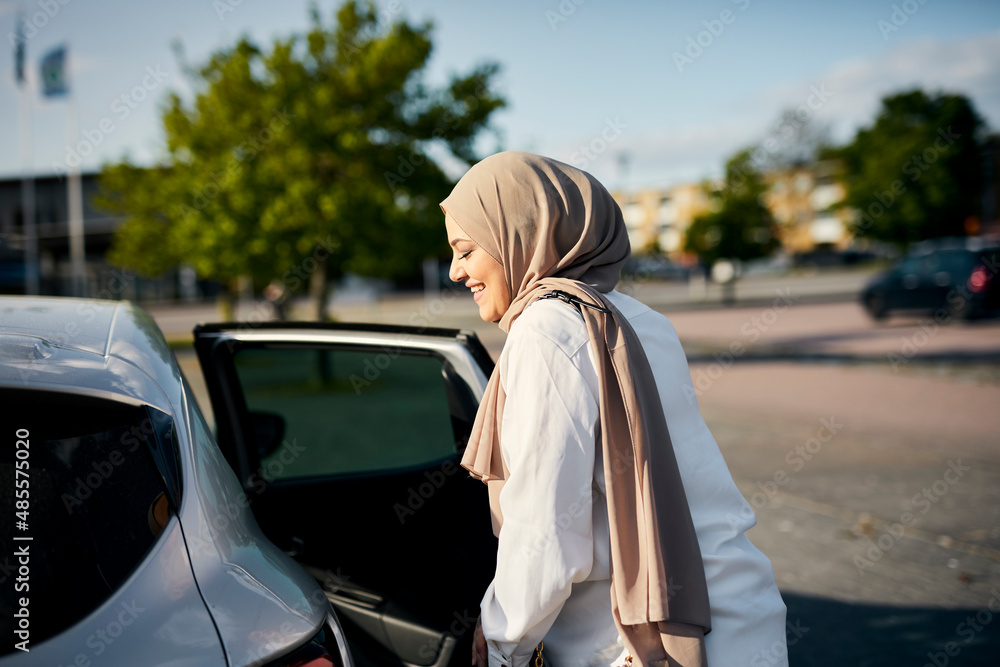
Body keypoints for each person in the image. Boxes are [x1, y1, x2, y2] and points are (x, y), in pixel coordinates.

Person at [441, 152, 787, 667]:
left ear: (520, 234)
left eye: (466, 250)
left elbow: (546, 528)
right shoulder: (642, 318)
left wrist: (498, 640)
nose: (454, 272)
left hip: (631, 645)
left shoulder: (545, 331)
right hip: (739, 615)